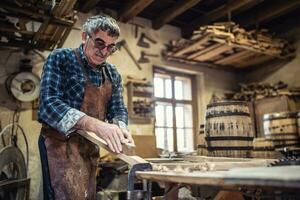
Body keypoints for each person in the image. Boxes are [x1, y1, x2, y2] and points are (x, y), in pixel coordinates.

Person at [38, 15, 134, 200]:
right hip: (59, 146)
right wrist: (95, 124)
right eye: (99, 43)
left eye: (110, 47)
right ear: (84, 37)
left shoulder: (112, 73)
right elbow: (48, 105)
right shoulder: (61, 58)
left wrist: (120, 129)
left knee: (86, 195)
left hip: (89, 148)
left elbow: (118, 109)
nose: (104, 51)